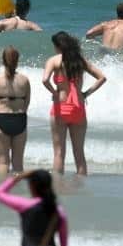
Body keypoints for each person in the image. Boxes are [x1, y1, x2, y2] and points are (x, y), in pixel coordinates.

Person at [42, 31, 106, 175]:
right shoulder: (80, 61)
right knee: (79, 153)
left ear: (58, 46)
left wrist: (54, 93)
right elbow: (102, 78)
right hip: (78, 108)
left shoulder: (54, 60)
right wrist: (85, 94)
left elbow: (45, 80)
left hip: (61, 107)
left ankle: (57, 185)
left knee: (59, 152)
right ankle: (81, 188)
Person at [0, 46, 31, 174]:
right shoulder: (24, 80)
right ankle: (18, 191)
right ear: (17, 60)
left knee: (3, 162)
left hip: (2, 118)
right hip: (20, 119)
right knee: (18, 164)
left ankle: (2, 191)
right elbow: (27, 103)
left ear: (3, 60)